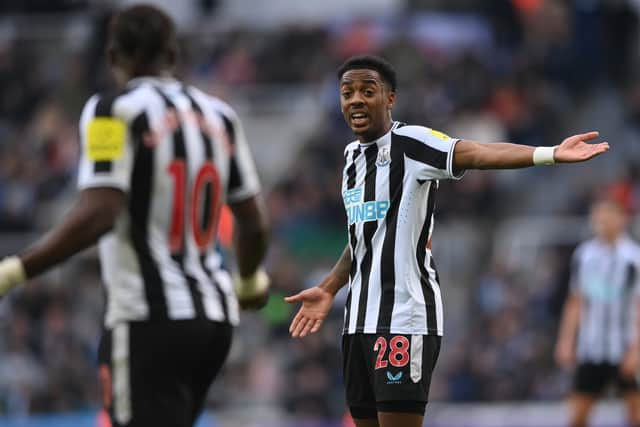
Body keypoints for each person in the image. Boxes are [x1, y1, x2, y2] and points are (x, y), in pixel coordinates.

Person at [285, 54, 609, 427]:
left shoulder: (411, 143)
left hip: (404, 317)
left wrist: (549, 154)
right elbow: (363, 238)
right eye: (347, 92)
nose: (355, 99)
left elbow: (476, 152)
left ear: (389, 98)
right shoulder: (351, 158)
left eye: (367, 91)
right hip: (358, 322)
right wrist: (328, 288)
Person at [0, 5, 270, 427]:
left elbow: (100, 212)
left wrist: (15, 271)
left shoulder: (113, 109)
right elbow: (253, 221)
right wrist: (250, 279)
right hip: (213, 321)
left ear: (112, 58)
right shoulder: (220, 115)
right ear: (172, 55)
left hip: (148, 320)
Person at [555, 195, 640, 427]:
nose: (600, 220)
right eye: (598, 215)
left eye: (607, 215)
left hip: (624, 347)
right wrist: (566, 341)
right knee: (578, 416)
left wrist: (636, 350)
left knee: (636, 414)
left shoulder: (633, 257)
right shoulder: (584, 255)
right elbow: (575, 301)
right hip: (591, 348)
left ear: (621, 219)